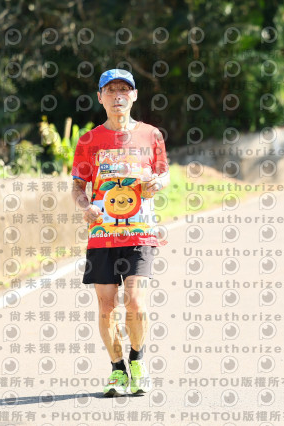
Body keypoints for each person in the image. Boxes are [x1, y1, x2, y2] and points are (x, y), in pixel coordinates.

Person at [71, 68, 170, 397]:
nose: (118, 96)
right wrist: (85, 206)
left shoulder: (151, 135)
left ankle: (137, 362)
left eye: (124, 90)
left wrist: (157, 183)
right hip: (102, 235)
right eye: (111, 91)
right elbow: (77, 185)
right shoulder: (89, 141)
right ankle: (117, 369)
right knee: (106, 307)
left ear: (134, 96)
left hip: (140, 234)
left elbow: (164, 174)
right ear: (100, 97)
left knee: (136, 303)